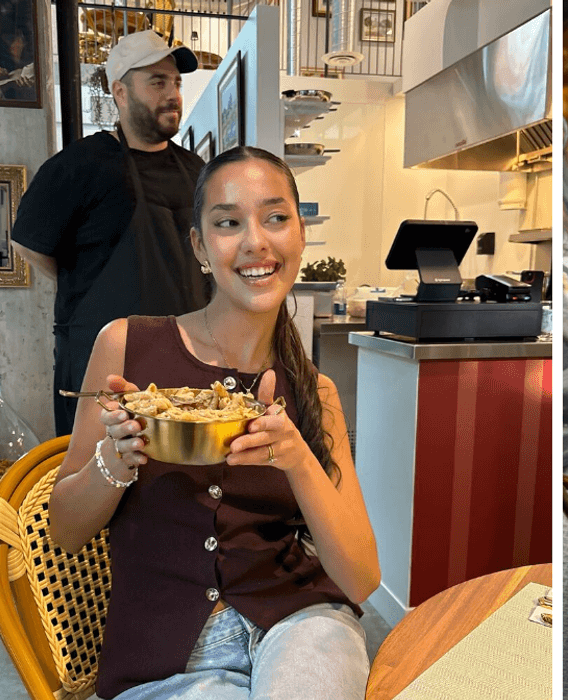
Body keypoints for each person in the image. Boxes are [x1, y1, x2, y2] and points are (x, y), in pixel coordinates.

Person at [47, 147, 380, 699]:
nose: (255, 241)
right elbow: (65, 530)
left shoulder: (314, 390)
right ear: (201, 246)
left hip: (300, 623)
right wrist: (115, 459)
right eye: (228, 223)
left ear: (300, 235)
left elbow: (362, 577)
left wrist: (297, 459)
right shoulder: (126, 347)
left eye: (276, 218)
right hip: (165, 656)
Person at [11, 30, 210, 436]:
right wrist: (87, 285)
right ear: (120, 91)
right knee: (97, 478)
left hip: (183, 360)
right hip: (101, 364)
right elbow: (27, 243)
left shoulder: (196, 170)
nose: (172, 93)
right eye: (157, 82)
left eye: (176, 82)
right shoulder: (79, 165)